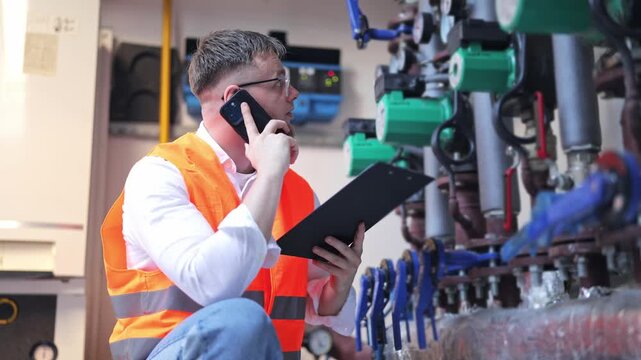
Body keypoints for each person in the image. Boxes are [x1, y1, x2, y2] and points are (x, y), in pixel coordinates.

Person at [101, 29, 367, 360]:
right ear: (234, 100)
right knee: (242, 319)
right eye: (277, 84)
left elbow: (314, 302)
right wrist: (270, 174)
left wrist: (338, 285)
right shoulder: (160, 175)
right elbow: (211, 283)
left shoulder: (296, 192)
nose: (293, 93)